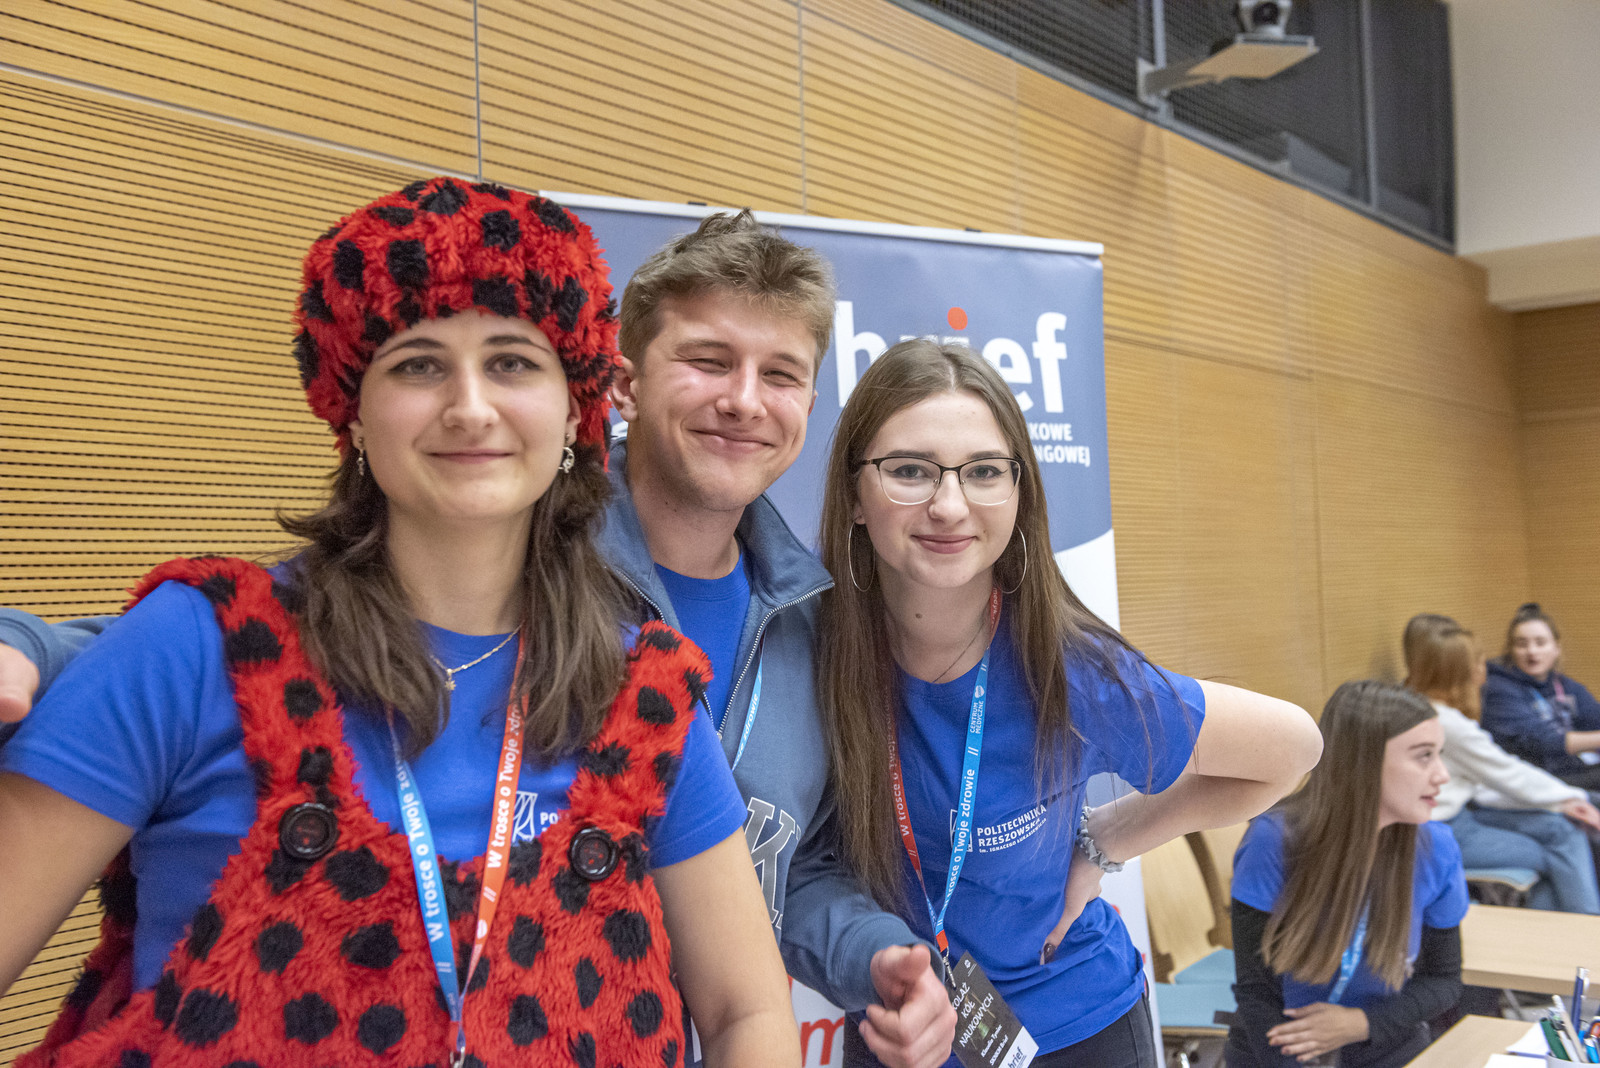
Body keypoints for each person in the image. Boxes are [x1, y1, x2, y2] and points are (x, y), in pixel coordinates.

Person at [0, 209, 956, 1068]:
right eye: (418, 363)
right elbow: (162, 657)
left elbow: (754, 985)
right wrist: (26, 645)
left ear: (570, 402)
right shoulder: (202, 646)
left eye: (511, 362)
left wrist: (871, 948)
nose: (470, 406)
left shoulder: (696, 667)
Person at [815, 339, 1324, 1068]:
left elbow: (1295, 748)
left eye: (984, 472)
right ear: (855, 495)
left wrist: (1106, 840)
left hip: (1074, 1027)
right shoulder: (812, 653)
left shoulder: (1067, 670)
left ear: (1019, 494)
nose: (949, 505)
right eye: (909, 471)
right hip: (897, 1034)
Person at [1228, 680, 1468, 1067]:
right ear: (1364, 762)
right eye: (1424, 756)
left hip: (1385, 1044)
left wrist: (1362, 1024)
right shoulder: (1273, 840)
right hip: (1275, 1050)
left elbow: (1444, 980)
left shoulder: (1436, 848)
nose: (1442, 775)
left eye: (1439, 755)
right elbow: (1257, 992)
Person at [1404, 613, 1600, 914]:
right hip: (1445, 826)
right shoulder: (1447, 721)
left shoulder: (1421, 708)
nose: (1486, 669)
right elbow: (1507, 772)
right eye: (1480, 662)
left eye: (1540, 642)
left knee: (1562, 830)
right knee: (1560, 851)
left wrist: (1563, 802)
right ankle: (1585, 930)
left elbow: (1485, 781)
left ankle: (1567, 932)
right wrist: (1573, 798)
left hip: (1464, 811)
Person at [1482, 603, 1600, 793]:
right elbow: (1541, 743)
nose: (1532, 651)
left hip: (1571, 768)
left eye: (1540, 643)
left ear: (1556, 648)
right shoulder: (1498, 688)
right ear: (1511, 650)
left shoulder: (1564, 685)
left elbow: (1594, 718)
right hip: (1531, 780)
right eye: (1522, 644)